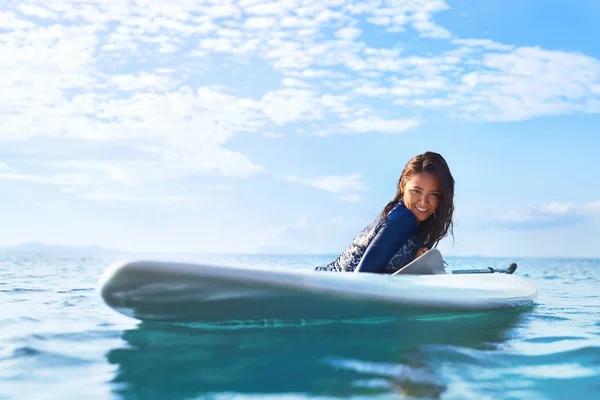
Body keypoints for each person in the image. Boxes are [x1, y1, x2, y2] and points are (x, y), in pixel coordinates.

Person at [315, 151, 455, 274]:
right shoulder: (403, 219)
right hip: (325, 286)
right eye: (416, 191)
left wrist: (413, 263)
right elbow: (361, 278)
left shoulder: (410, 221)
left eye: (433, 194)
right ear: (402, 186)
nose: (424, 202)